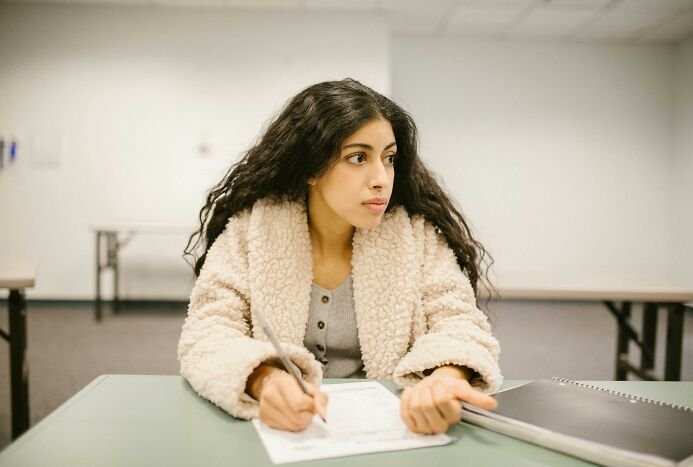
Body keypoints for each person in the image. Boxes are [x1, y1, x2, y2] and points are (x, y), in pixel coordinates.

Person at [178, 78, 502, 435]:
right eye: (358, 157)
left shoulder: (415, 236)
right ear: (312, 168)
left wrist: (445, 376)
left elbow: (460, 322)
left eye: (389, 158)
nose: (381, 178)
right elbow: (206, 333)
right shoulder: (251, 230)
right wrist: (263, 380)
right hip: (281, 433)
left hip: (392, 432)